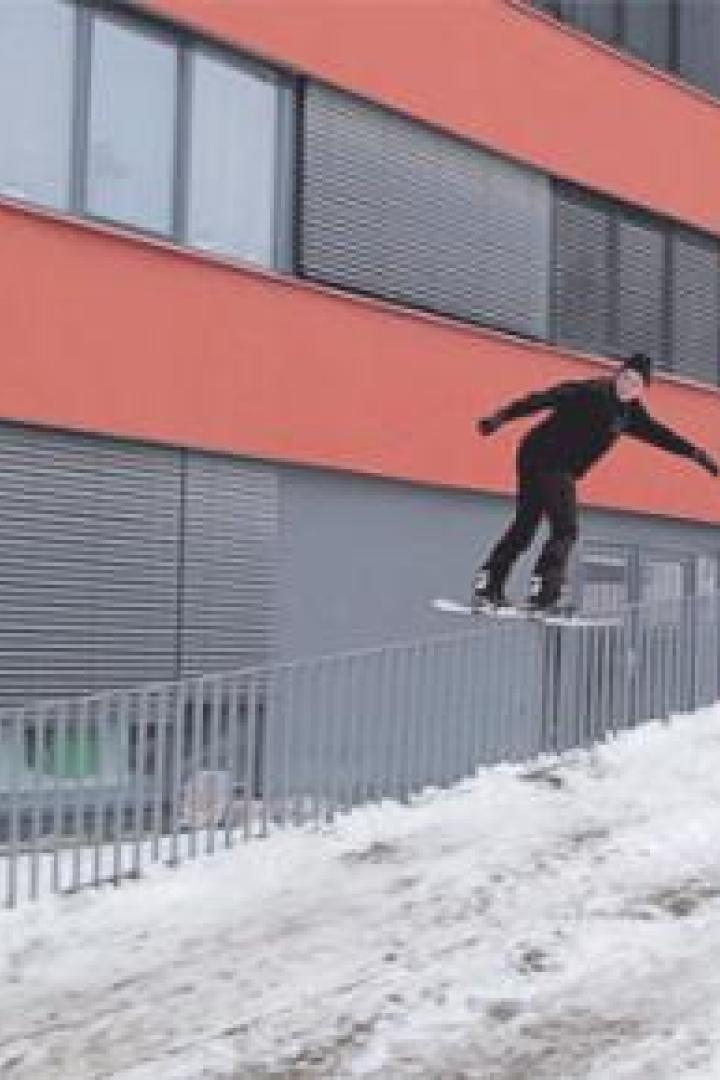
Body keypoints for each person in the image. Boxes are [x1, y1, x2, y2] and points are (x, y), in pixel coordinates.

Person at [473, 352, 718, 615]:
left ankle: (488, 585)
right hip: (546, 458)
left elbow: (661, 435)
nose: (628, 386)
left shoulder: (631, 414)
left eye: (635, 383)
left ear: (641, 390)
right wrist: (501, 416)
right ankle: (544, 595)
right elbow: (545, 397)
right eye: (625, 378)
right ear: (618, 375)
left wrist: (697, 455)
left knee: (525, 527)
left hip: (545, 460)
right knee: (565, 528)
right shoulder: (592, 391)